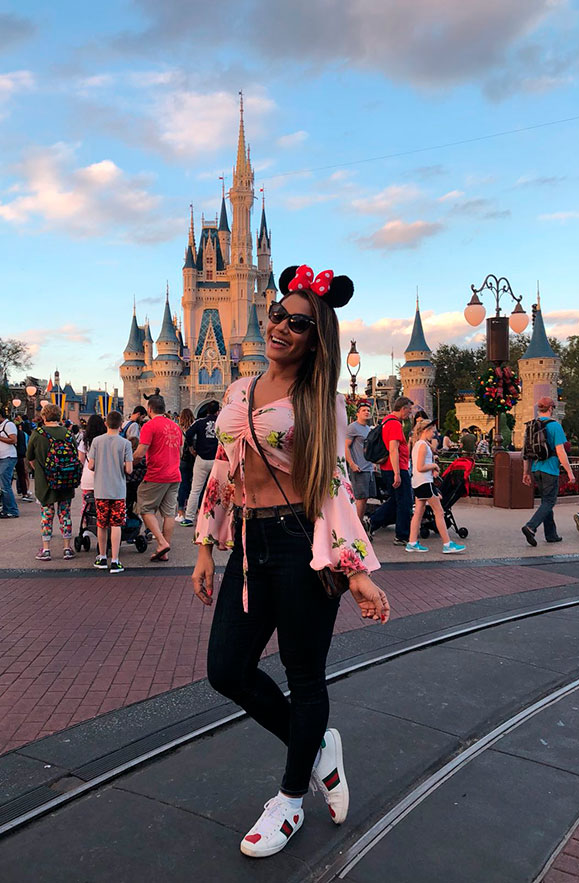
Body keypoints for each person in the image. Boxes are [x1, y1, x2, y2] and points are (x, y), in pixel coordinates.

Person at [192, 264, 389, 859]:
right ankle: (318, 745)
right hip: (248, 546)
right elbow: (225, 471)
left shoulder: (318, 401)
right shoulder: (238, 389)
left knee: (305, 677)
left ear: (315, 339)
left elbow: (332, 483)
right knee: (227, 669)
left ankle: (290, 798)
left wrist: (354, 571)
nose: (279, 324)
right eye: (277, 313)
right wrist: (206, 544)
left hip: (303, 545)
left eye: (297, 323)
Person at [405, 418, 466, 554]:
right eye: (433, 430)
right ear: (426, 430)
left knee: (418, 513)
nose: (434, 433)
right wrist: (434, 465)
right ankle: (447, 543)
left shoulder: (418, 444)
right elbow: (420, 467)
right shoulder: (422, 445)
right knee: (439, 512)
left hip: (418, 482)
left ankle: (412, 542)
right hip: (425, 482)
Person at [135, 394, 183, 561]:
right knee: (169, 514)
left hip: (157, 474)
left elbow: (140, 452)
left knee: (145, 508)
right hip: (174, 475)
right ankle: (165, 552)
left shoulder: (149, 426)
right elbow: (180, 451)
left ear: (149, 409)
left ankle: (162, 543)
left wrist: (129, 462)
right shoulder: (176, 427)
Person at [521, 396, 575, 546]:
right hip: (550, 469)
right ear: (551, 409)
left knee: (546, 502)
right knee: (549, 501)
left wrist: (525, 472)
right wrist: (570, 472)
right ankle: (531, 527)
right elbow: (561, 452)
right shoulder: (555, 426)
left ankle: (551, 535)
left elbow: (526, 452)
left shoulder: (531, 425)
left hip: (536, 468)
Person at [27, 403, 77, 562]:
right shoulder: (68, 434)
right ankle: (67, 548)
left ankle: (46, 549)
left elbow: (30, 457)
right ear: (59, 416)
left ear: (43, 416)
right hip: (66, 480)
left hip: (45, 482)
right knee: (65, 514)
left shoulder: (38, 433)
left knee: (46, 515)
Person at [88, 410, 133, 573]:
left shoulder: (96, 441)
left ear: (106, 423)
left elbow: (90, 465)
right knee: (116, 524)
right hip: (118, 490)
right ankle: (115, 560)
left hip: (101, 489)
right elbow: (129, 469)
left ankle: (101, 557)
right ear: (121, 425)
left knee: (102, 524)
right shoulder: (125, 444)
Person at [368, 396, 414, 545]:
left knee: (395, 500)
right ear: (403, 408)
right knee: (405, 502)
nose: (410, 413)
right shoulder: (394, 424)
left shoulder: (386, 421)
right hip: (396, 467)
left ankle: (373, 522)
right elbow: (393, 449)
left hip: (387, 468)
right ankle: (401, 535)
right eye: (409, 410)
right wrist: (397, 473)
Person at [181, 401, 220, 526]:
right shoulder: (222, 422)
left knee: (195, 490)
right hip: (217, 460)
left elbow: (188, 434)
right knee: (217, 490)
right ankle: (215, 519)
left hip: (201, 459)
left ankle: (189, 518)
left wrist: (192, 448)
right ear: (218, 411)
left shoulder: (199, 422)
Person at [345, 401, 376, 519]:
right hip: (359, 468)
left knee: (365, 498)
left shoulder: (368, 429)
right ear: (358, 413)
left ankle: (360, 523)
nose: (367, 412)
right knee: (360, 497)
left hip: (368, 467)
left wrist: (372, 463)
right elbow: (346, 446)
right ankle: (357, 525)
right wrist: (352, 464)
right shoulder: (353, 427)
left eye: (368, 410)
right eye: (364, 410)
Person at [0, 407, 19, 518]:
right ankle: (6, 509)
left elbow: (13, 440)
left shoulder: (9, 425)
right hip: (2, 457)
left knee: (5, 485)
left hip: (9, 456)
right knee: (3, 485)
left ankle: (12, 510)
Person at [78, 414, 107, 501]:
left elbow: (81, 459)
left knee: (87, 507)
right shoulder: (106, 440)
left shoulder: (85, 441)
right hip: (104, 478)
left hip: (88, 477)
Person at [176, 408, 195, 522]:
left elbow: (179, 446)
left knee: (183, 484)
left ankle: (181, 511)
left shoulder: (178, 429)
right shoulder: (194, 427)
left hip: (183, 460)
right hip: (194, 459)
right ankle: (195, 509)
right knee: (195, 485)